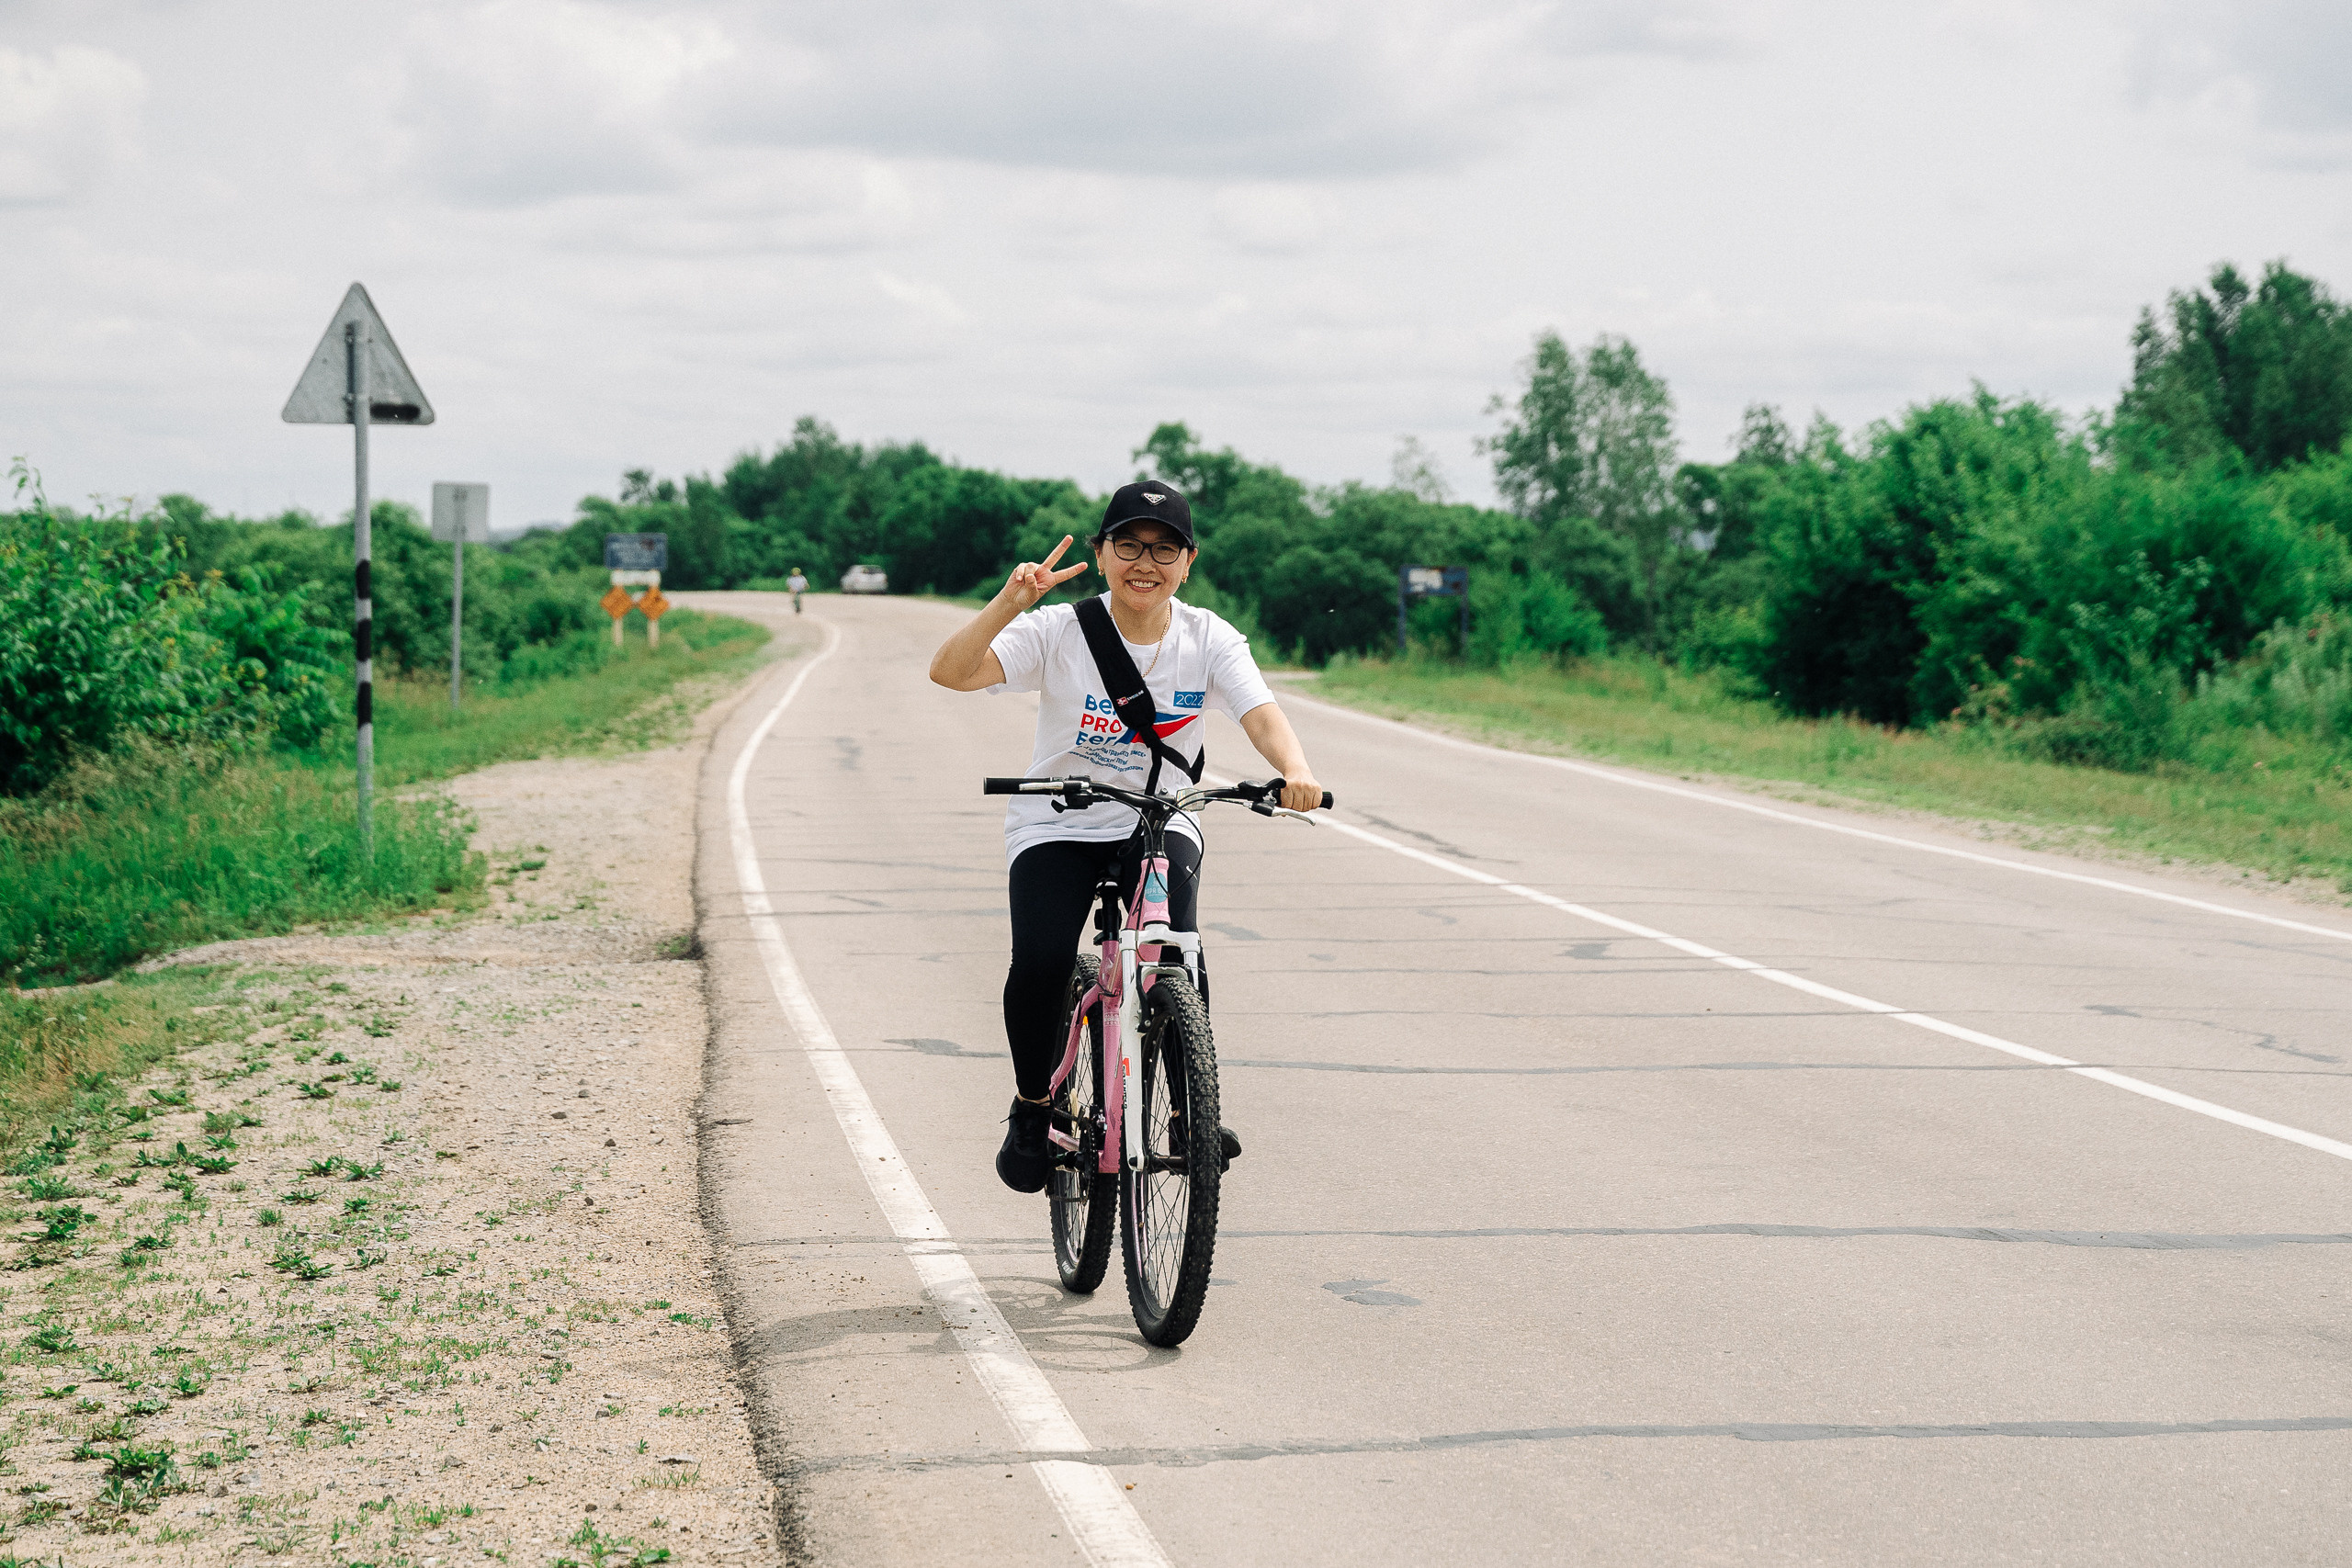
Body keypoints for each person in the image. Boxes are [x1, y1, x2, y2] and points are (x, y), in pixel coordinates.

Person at [929, 479, 1325, 1192]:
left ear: (1188, 561)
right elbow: (950, 672)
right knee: (1043, 962)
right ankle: (1033, 1104)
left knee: (1178, 946)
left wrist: (1295, 769)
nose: (1147, 562)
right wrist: (1010, 603)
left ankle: (1186, 1111)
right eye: (1130, 545)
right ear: (1102, 554)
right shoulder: (1058, 630)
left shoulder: (1209, 638)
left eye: (1165, 549)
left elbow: (1260, 713)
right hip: (1058, 819)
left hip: (1160, 815)